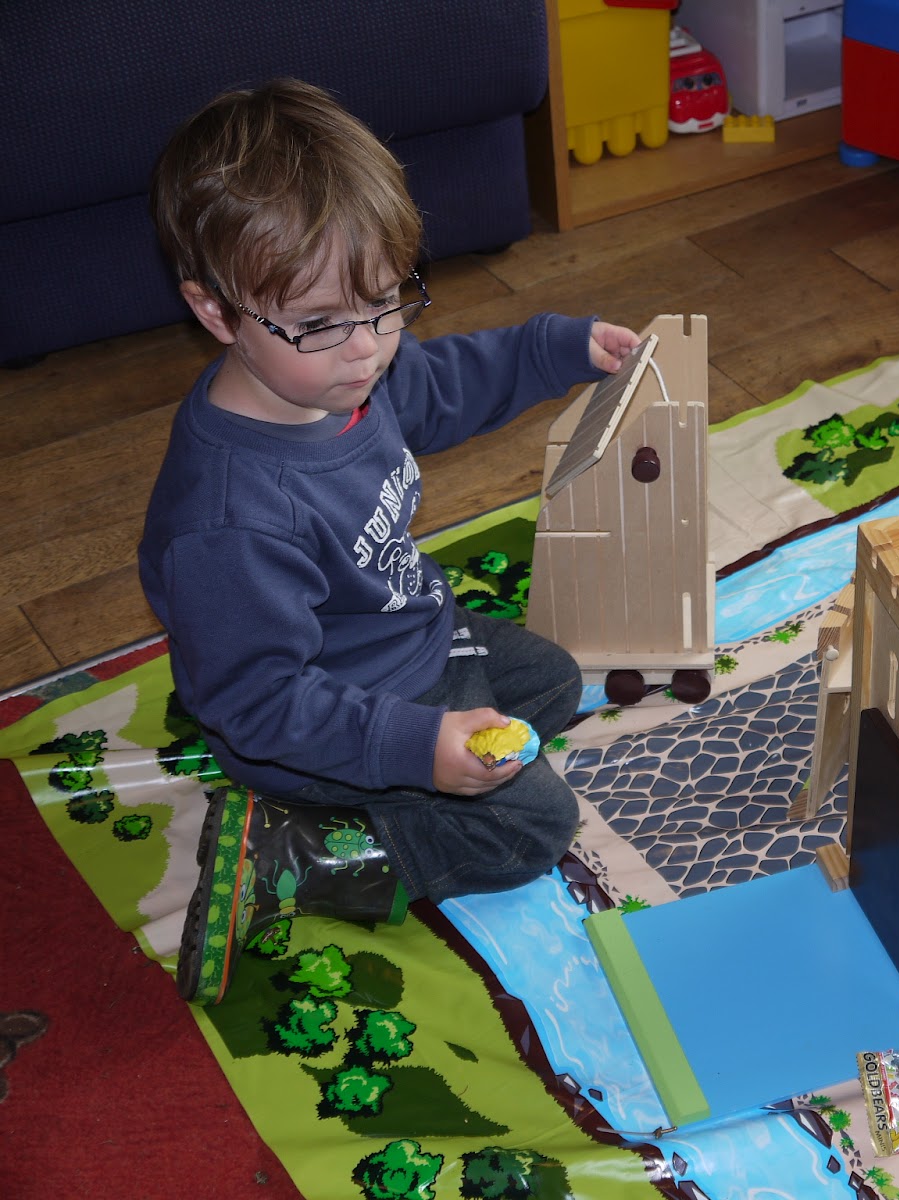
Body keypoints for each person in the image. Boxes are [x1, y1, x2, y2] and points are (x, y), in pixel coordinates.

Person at [139, 78, 640, 1005]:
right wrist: (414, 748)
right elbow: (254, 700)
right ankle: (289, 854)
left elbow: (445, 382)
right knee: (532, 826)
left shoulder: (338, 378)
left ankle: (414, 760)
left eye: (385, 304)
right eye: (323, 324)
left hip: (411, 645)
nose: (367, 348)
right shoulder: (231, 518)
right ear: (215, 314)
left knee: (555, 683)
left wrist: (557, 350)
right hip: (318, 712)